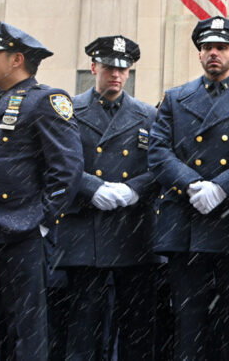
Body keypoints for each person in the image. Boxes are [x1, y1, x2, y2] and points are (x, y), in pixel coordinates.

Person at [0, 22, 83, 361]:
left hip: (20, 234)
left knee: (24, 330)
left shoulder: (46, 100)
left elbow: (66, 170)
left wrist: (39, 221)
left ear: (16, 60)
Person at [148, 16, 229, 360]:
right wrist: (192, 183)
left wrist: (223, 187)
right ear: (199, 54)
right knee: (189, 321)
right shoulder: (176, 97)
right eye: (208, 47)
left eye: (222, 48)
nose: (214, 53)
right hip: (187, 221)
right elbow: (157, 151)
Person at [56, 35, 159, 360]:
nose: (116, 74)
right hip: (85, 233)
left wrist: (135, 189)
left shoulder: (147, 115)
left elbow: (160, 165)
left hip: (133, 233)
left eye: (123, 69)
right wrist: (92, 188)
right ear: (93, 67)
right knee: (83, 327)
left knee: (137, 329)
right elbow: (59, 162)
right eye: (109, 67)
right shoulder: (68, 111)